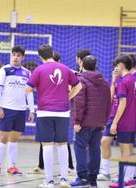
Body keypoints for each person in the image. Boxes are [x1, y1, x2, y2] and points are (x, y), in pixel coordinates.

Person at [26, 44, 82, 188]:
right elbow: (79, 86)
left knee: (47, 145)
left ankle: (49, 181)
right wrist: (68, 97)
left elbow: (27, 89)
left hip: (45, 112)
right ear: (52, 53)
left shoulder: (38, 70)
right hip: (63, 112)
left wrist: (40, 88)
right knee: (63, 144)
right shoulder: (65, 68)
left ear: (40, 56)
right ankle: (64, 180)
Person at [0, 46, 35, 176]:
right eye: (13, 55)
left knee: (14, 139)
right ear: (11, 56)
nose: (15, 57)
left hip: (21, 110)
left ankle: (12, 166)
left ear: (22, 57)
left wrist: (31, 110)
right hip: (7, 109)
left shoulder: (27, 73)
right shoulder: (4, 70)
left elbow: (29, 93)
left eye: (18, 55)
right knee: (2, 138)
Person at [70, 55, 111, 188]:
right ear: (95, 66)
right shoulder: (104, 81)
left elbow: (79, 103)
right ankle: (93, 179)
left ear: (82, 65)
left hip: (84, 123)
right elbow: (108, 103)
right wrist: (104, 121)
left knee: (80, 147)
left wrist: (77, 122)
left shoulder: (81, 81)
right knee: (94, 149)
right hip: (99, 123)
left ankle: (82, 178)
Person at [108, 55, 136, 188]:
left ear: (121, 65)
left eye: (117, 65)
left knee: (124, 150)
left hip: (125, 121)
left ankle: (128, 179)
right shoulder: (133, 79)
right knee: (129, 149)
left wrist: (115, 122)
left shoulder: (124, 81)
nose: (116, 68)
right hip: (133, 119)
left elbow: (122, 103)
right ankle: (128, 176)